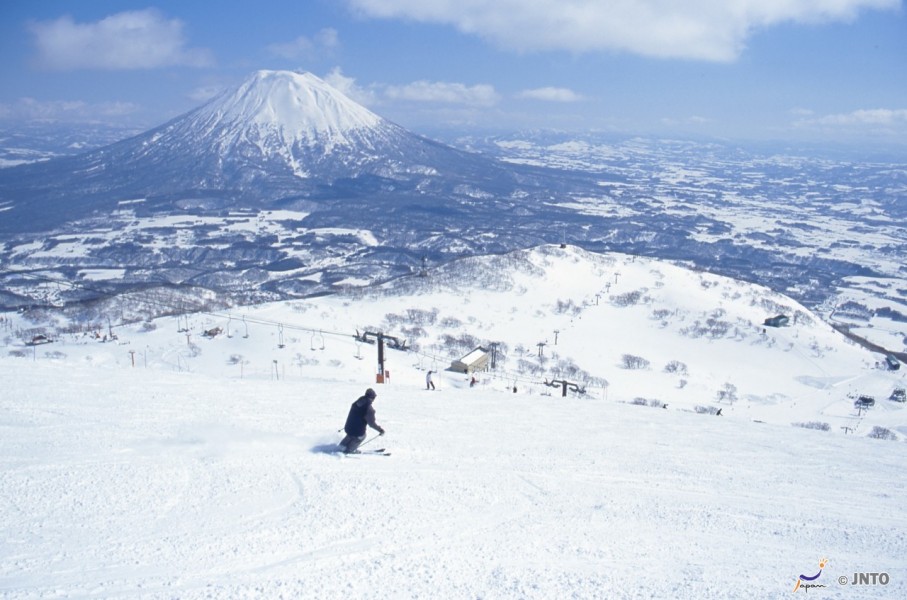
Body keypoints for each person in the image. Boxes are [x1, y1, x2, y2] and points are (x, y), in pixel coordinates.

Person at [338, 388, 385, 453]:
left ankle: (342, 446)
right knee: (362, 436)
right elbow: (371, 424)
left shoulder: (357, 402)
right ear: (372, 397)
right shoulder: (369, 409)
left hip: (348, 427)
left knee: (350, 435)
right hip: (357, 431)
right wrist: (380, 430)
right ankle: (350, 450)